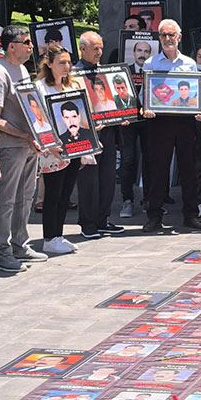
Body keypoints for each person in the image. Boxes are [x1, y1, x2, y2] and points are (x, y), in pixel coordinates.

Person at [0, 24, 50, 269]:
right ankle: (2, 251)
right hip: (12, 146)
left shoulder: (20, 68)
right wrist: (23, 135)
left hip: (28, 144)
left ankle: (19, 245)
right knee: (7, 198)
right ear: (12, 46)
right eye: (26, 42)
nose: (31, 47)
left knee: (26, 196)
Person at [141, 20, 201, 230]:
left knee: (188, 168)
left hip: (185, 122)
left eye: (171, 35)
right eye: (163, 35)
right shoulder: (150, 64)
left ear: (179, 37)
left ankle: (191, 215)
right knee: (158, 169)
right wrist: (145, 107)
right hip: (159, 121)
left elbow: (194, 94)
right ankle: (154, 216)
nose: (167, 39)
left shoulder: (189, 64)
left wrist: (198, 110)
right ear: (159, 38)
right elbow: (145, 95)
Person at [71, 30, 125, 242]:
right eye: (95, 49)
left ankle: (103, 219)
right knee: (88, 180)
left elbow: (117, 101)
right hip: (86, 134)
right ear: (82, 49)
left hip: (109, 132)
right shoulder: (75, 75)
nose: (99, 52)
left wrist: (122, 114)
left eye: (101, 48)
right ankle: (88, 223)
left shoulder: (106, 72)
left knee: (108, 178)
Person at [35, 43, 79, 254]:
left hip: (74, 147)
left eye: (69, 62)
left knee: (66, 194)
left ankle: (58, 235)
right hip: (53, 149)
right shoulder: (41, 87)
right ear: (49, 63)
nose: (66, 66)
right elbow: (39, 119)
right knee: (53, 194)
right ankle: (49, 237)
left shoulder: (71, 86)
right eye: (61, 62)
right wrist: (50, 145)